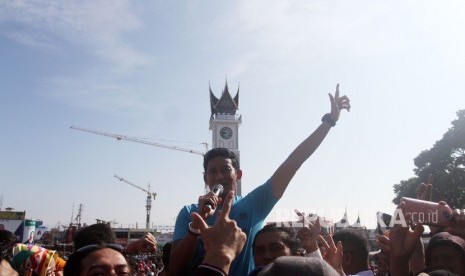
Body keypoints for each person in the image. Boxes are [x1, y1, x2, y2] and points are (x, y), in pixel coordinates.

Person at [170, 84, 351, 275]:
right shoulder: (189, 214)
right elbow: (174, 268)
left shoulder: (254, 204)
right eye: (212, 171)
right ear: (205, 178)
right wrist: (195, 226)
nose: (219, 176)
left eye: (225, 170)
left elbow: (293, 162)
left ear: (238, 175)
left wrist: (329, 121)